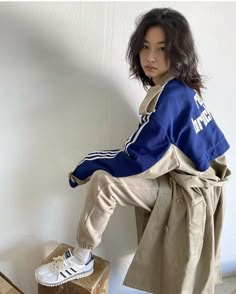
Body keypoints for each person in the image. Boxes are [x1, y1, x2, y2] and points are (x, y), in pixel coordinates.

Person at [35, 7, 231, 292]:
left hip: (191, 193)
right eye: (145, 46)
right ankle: (82, 256)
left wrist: (83, 168)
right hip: (197, 185)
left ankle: (81, 258)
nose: (150, 57)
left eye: (162, 49)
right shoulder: (183, 88)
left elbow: (134, 157)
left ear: (178, 51)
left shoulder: (170, 100)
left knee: (103, 182)